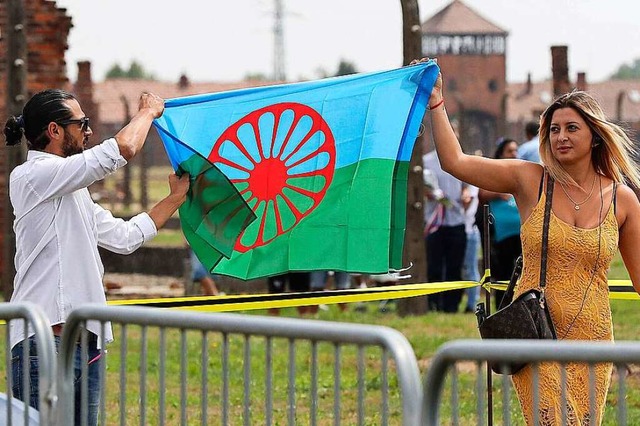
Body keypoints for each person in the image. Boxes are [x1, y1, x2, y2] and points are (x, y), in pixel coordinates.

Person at [419, 57, 640, 425]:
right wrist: (437, 103)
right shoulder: (529, 180)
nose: (561, 137)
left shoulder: (623, 199)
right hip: (536, 333)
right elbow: (455, 162)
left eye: (572, 128)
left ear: (596, 135)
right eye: (554, 129)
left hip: (594, 338)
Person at [4, 89, 190, 426]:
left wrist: (175, 198)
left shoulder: (73, 192)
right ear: (54, 130)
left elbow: (126, 237)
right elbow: (121, 150)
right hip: (43, 346)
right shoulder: (32, 176)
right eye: (82, 123)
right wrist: (147, 113)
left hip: (84, 347)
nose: (89, 131)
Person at [424, 144, 469, 313]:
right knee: (434, 267)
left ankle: (452, 306)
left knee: (454, 267)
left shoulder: (462, 159)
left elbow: (466, 186)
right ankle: (434, 304)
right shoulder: (426, 161)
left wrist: (465, 195)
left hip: (456, 220)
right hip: (435, 222)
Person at [478, 138, 522, 306]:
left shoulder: (521, 169)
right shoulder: (493, 171)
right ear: (501, 153)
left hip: (522, 231)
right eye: (510, 151)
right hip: (502, 235)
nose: (514, 154)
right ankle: (502, 309)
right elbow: (482, 194)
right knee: (504, 274)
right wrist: (500, 191)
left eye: (515, 150)